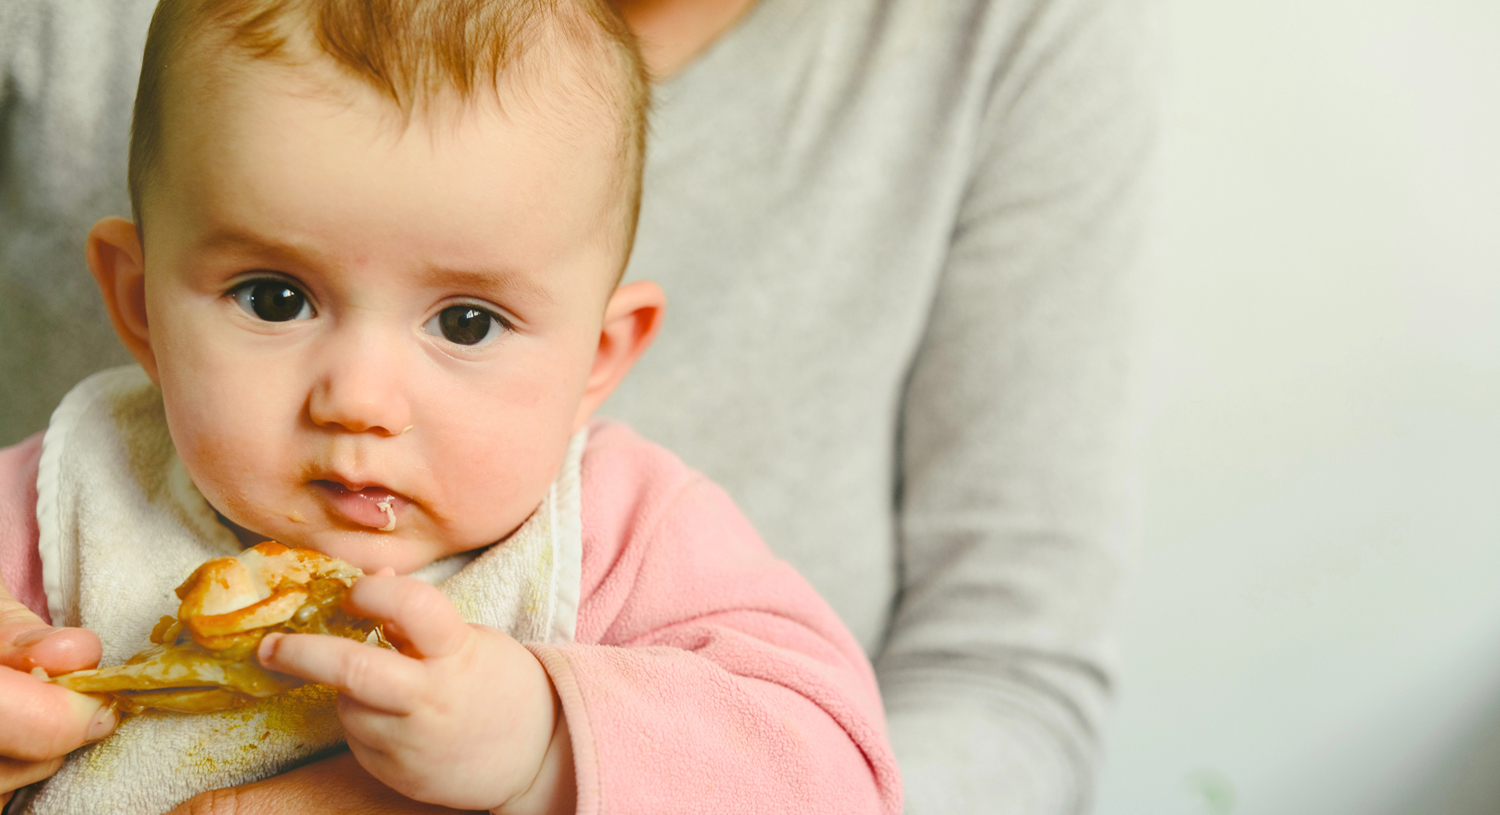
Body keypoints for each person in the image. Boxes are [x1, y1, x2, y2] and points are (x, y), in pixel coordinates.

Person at [0, 0, 1154, 812]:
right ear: (137, 301)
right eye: (274, 296)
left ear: (601, 356)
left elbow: (839, 773)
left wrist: (547, 745)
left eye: (466, 323)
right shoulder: (65, 496)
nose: (359, 397)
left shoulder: (628, 536)